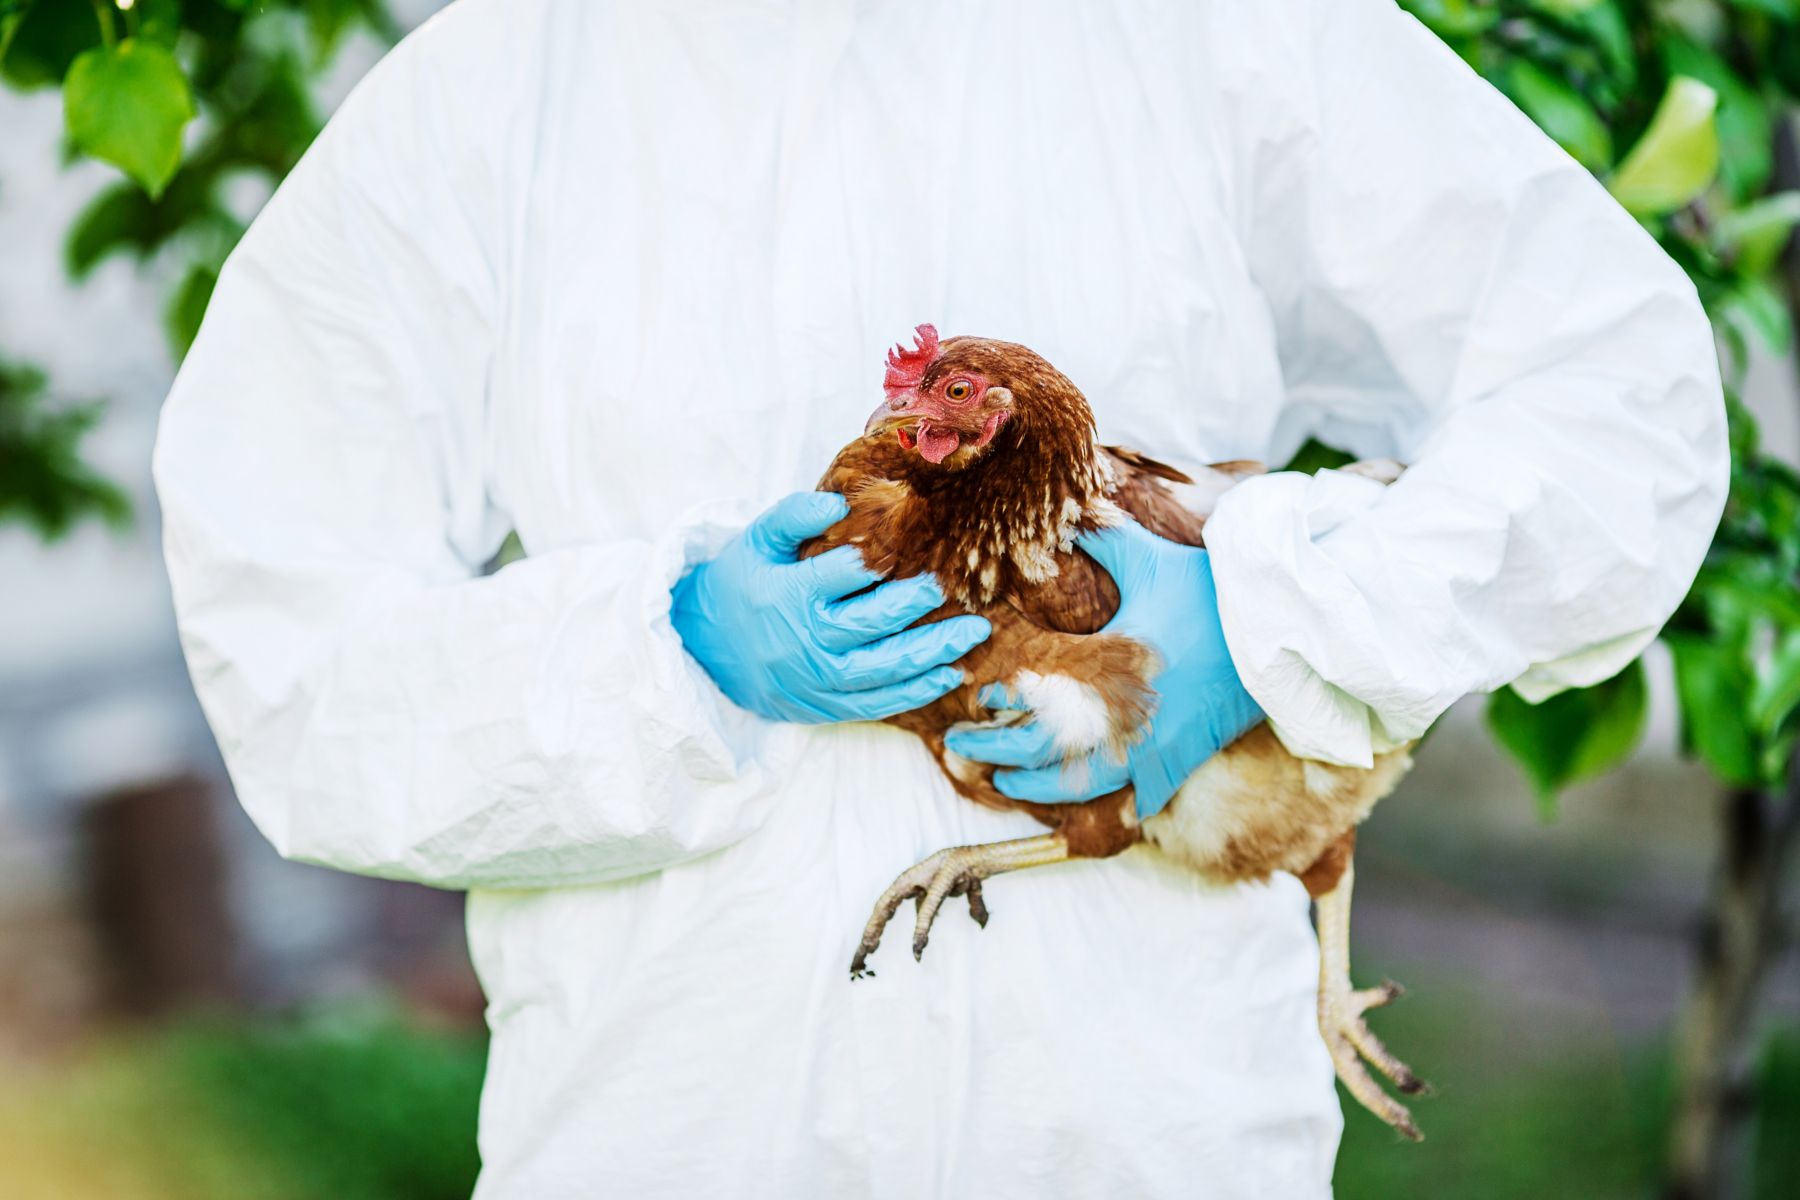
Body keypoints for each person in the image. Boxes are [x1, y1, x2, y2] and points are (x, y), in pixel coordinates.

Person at [153, 0, 1727, 1195]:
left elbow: (1620, 399)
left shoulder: (1225, 38)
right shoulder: (499, 91)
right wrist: (663, 661)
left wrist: (1270, 628)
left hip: (1145, 1130)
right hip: (677, 1128)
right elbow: (293, 661)